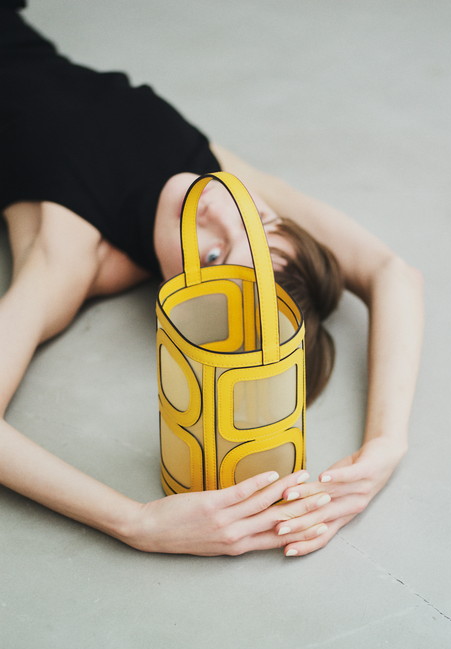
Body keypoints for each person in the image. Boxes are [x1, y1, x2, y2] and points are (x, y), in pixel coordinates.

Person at [0, 4, 424, 557]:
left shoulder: (73, 254)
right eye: (259, 225)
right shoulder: (223, 179)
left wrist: (135, 522)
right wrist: (386, 442)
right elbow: (393, 273)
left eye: (216, 256)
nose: (220, 213)